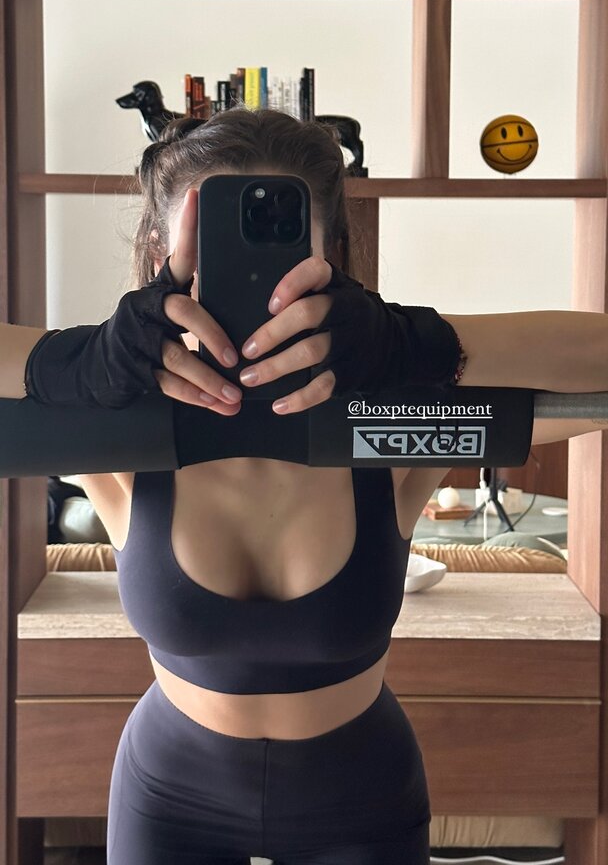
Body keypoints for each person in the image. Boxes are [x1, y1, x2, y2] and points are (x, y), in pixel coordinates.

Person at [3, 105, 608, 865]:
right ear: (162, 252)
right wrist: (79, 359)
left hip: (362, 799)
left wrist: (412, 342)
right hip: (170, 799)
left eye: (282, 241)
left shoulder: (390, 420)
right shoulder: (114, 425)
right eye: (213, 241)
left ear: (331, 255)